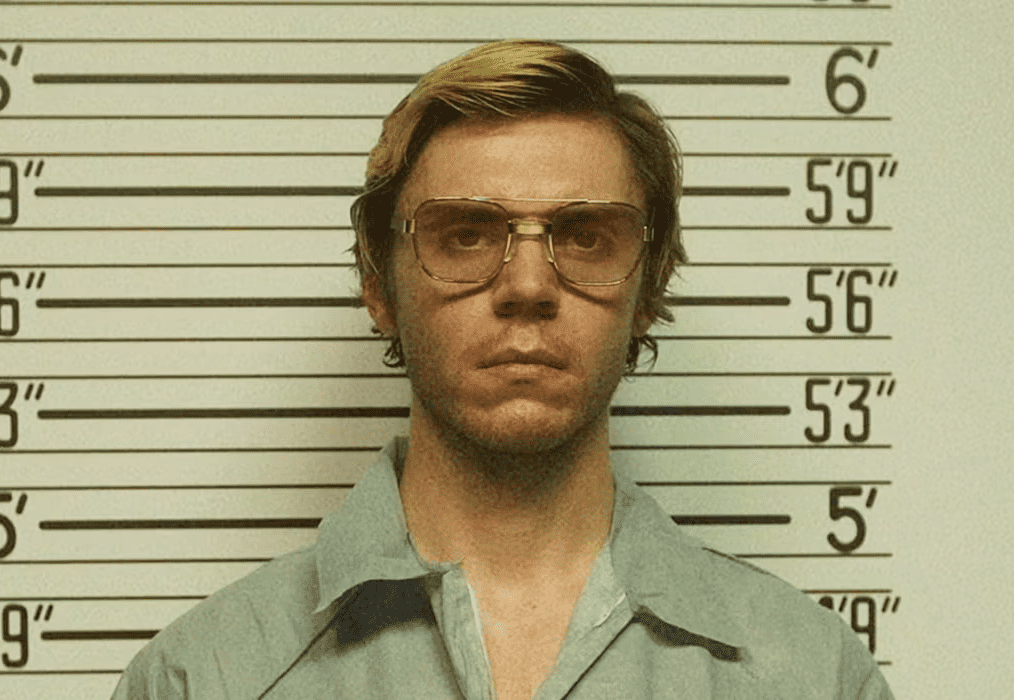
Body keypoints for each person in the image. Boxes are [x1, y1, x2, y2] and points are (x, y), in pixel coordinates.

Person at [112, 40, 893, 700]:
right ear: (379, 287)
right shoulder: (205, 679)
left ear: (648, 290)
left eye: (586, 236)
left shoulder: (813, 677)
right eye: (465, 235)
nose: (527, 285)